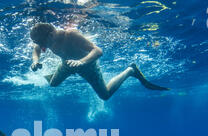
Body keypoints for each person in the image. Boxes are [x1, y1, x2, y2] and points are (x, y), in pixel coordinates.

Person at [30, 23, 169, 101]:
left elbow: (97, 51)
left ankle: (130, 70)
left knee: (105, 96)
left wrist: (81, 62)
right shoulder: (45, 40)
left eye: (43, 43)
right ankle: (59, 73)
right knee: (53, 84)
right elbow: (36, 48)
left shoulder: (71, 35)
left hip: (87, 66)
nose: (42, 48)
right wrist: (35, 61)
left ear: (51, 34)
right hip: (67, 65)